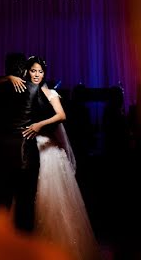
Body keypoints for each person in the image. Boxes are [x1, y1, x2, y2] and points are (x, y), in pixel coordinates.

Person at [11, 57, 102, 260]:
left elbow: (61, 115)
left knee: (53, 204)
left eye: (40, 71)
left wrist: (39, 125)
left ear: (45, 74)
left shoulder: (51, 93)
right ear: (27, 72)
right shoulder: (23, 92)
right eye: (33, 71)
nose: (36, 74)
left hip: (48, 150)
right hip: (28, 150)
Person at [0, 52, 41, 232]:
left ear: (6, 68)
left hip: (2, 152)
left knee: (2, 203)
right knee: (26, 205)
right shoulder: (34, 88)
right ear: (25, 69)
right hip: (27, 153)